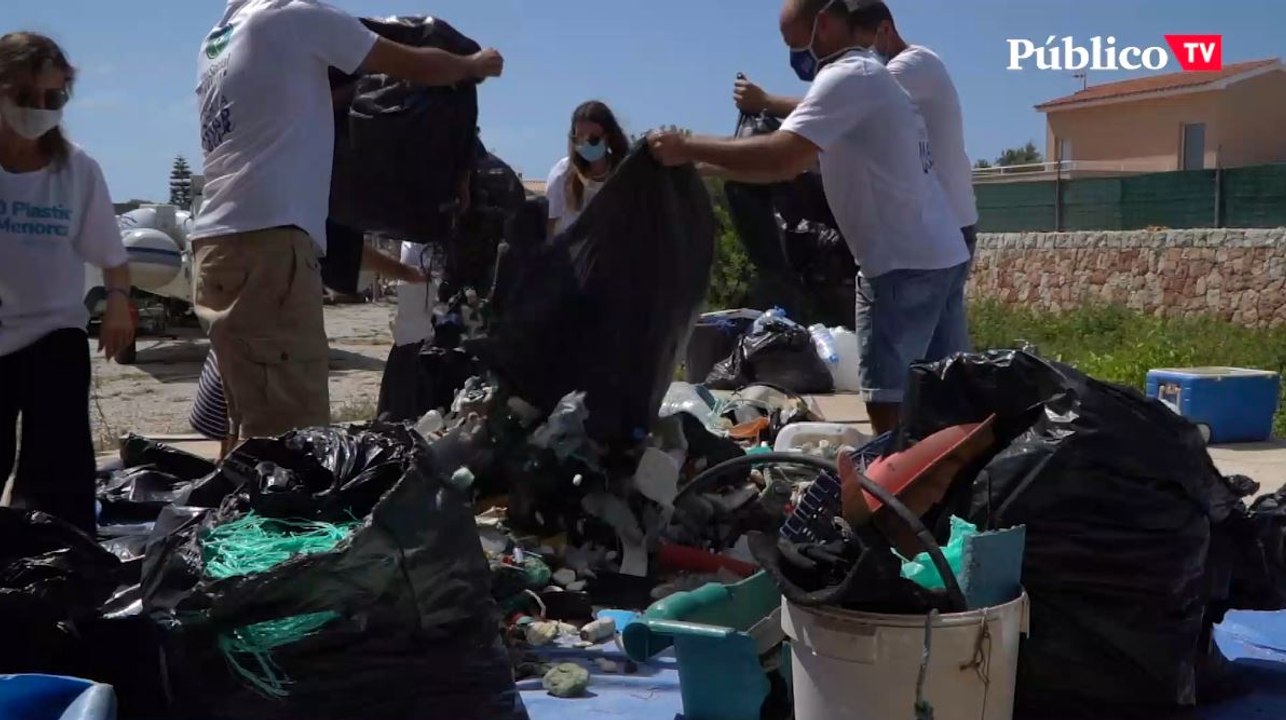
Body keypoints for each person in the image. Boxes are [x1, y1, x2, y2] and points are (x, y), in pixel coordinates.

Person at [190, 0, 503, 446]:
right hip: (269, 250)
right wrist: (473, 65)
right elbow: (414, 64)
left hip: (215, 246)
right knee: (293, 438)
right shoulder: (290, 15)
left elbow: (300, 103)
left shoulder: (218, 41)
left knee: (247, 423)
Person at [649, 0, 969, 435]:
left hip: (900, 264)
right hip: (941, 253)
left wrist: (687, 147)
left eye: (792, 39)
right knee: (946, 398)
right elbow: (793, 165)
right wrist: (699, 167)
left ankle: (892, 474)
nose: (793, 54)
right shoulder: (870, 75)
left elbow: (781, 156)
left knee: (887, 402)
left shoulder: (846, 77)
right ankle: (948, 473)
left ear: (823, 23)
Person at [0, 32, 135, 533]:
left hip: (54, 334)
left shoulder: (77, 170)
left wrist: (118, 302)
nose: (39, 109)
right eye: (25, 95)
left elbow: (111, 255)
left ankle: (60, 562)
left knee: (59, 478)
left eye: (53, 98)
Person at [733, 0, 979, 258]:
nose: (858, 54)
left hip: (946, 224)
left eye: (862, 44)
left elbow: (838, 104)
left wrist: (766, 102)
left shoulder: (911, 65)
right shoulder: (910, 65)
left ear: (884, 30)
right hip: (941, 222)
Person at [191, 241, 426, 459]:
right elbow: (336, 237)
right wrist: (404, 271)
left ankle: (231, 470)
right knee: (287, 438)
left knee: (241, 417)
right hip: (269, 283)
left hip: (222, 268)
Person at [545, 101, 630, 238]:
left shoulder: (625, 173)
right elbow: (550, 225)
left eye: (593, 139)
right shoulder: (562, 173)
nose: (585, 144)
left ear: (608, 136)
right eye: (579, 139)